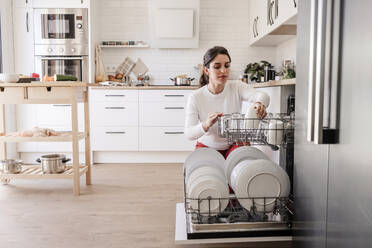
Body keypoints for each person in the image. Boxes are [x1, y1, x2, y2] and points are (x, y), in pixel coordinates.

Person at [184, 46, 270, 158]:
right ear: (206, 70)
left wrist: (259, 103)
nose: (223, 70)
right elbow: (189, 133)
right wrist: (206, 124)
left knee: (241, 166)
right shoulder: (196, 97)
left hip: (235, 143)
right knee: (207, 172)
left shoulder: (236, 86)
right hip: (208, 146)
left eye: (227, 65)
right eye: (217, 66)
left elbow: (263, 96)